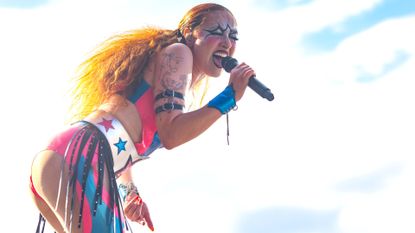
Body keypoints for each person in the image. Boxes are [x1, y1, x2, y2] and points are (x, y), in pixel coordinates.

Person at [29, 3, 255, 233]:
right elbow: (171, 134)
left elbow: (116, 133)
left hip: (65, 156)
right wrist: (230, 97)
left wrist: (129, 193)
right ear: (188, 32)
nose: (227, 42)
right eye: (216, 32)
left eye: (233, 36)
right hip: (81, 158)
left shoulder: (161, 64)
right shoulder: (179, 53)